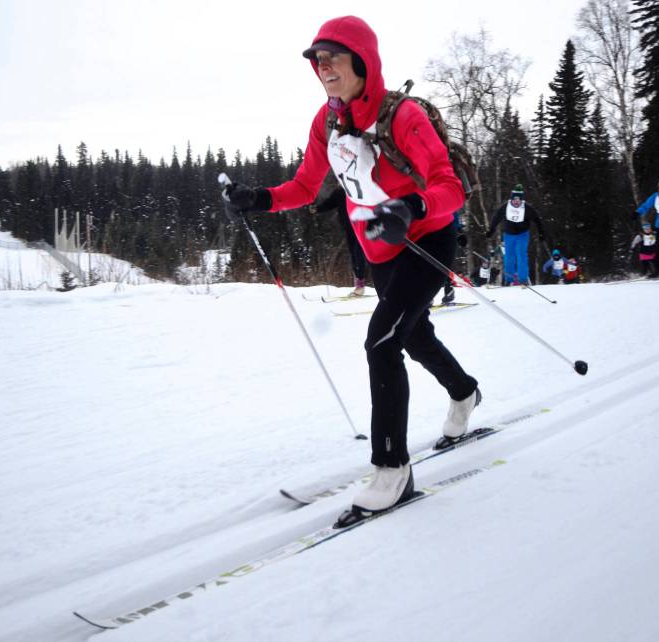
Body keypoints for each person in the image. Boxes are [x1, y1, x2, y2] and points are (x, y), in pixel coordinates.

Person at [223, 16, 480, 514]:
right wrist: (257, 198)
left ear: (362, 61)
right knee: (414, 334)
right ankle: (464, 391)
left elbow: (448, 185)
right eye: (317, 61)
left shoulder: (404, 117)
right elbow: (304, 186)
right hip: (380, 251)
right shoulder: (327, 121)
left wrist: (412, 209)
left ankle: (392, 470)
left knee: (382, 342)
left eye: (333, 58)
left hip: (425, 241)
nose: (323, 68)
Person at [311, 186, 367, 295]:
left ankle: (362, 285)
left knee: (359, 253)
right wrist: (317, 209)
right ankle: (359, 285)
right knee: (354, 254)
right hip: (349, 228)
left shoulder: (357, 187)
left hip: (362, 226)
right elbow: (330, 203)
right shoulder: (339, 191)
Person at [487, 184, 546, 286]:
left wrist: (541, 232)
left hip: (522, 235)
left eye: (518, 200)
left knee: (521, 255)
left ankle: (523, 279)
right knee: (509, 257)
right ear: (511, 199)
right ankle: (508, 279)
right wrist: (491, 230)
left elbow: (537, 219)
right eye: (514, 199)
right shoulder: (505, 207)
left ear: (521, 200)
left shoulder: (527, 208)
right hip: (508, 235)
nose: (516, 201)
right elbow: (496, 218)